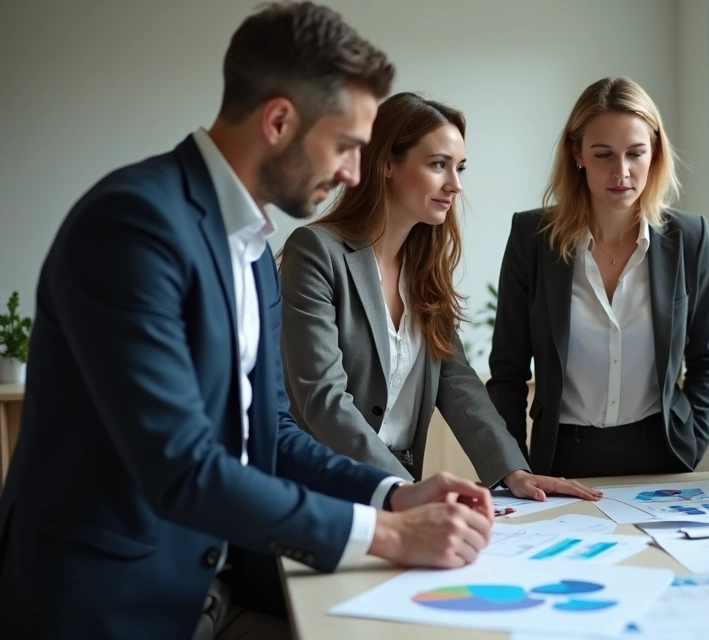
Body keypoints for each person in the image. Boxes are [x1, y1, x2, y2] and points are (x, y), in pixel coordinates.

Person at [0, 4, 496, 639]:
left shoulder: (257, 247)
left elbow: (274, 436)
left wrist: (392, 495)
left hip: (222, 582)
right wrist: (388, 532)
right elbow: (183, 466)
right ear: (280, 120)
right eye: (345, 146)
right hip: (110, 602)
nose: (352, 173)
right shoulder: (132, 227)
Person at [278, 92, 599, 502]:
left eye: (460, 167)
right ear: (387, 164)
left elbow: (456, 378)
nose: (456, 184)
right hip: (321, 491)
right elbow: (323, 399)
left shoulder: (425, 264)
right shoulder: (317, 251)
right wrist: (405, 492)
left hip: (401, 489)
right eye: (438, 165)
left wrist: (512, 470)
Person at [486, 77, 709, 478]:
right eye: (603, 155)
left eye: (636, 154)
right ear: (576, 153)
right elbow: (508, 370)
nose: (622, 172)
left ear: (656, 153)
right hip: (560, 461)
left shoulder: (690, 237)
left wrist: (695, 439)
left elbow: (707, 359)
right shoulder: (532, 238)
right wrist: (514, 468)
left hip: (664, 457)